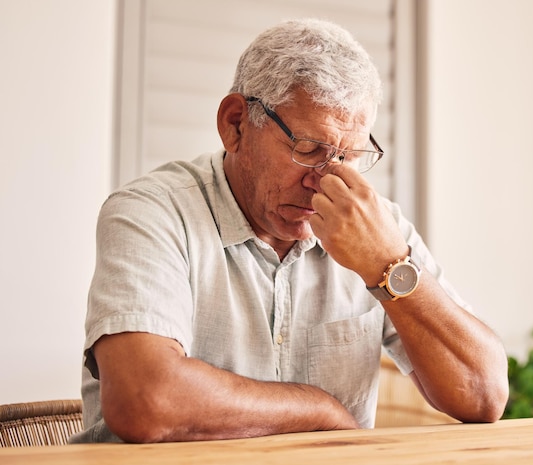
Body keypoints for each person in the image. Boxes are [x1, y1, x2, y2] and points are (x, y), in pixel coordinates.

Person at [71, 18, 508, 444]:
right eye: (308, 149)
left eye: (349, 155)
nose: (328, 180)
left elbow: (484, 395)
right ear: (236, 124)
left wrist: (388, 267)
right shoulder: (151, 212)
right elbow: (145, 399)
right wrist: (317, 410)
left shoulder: (376, 229)